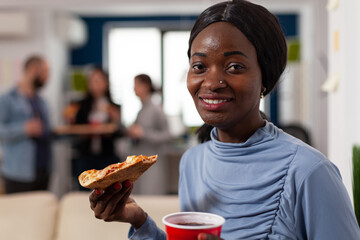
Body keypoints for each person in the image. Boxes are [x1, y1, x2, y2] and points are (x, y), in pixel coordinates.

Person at [87, 1, 360, 239]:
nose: (212, 82)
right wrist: (138, 220)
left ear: (266, 77)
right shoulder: (193, 163)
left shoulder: (310, 171)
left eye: (234, 67)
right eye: (199, 66)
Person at [0, 55, 52, 194]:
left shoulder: (42, 102)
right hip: (18, 173)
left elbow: (47, 132)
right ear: (33, 70)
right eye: (45, 72)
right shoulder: (7, 99)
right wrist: (24, 129)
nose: (47, 77)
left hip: (42, 170)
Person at [72, 66, 124, 190]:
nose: (95, 84)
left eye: (99, 80)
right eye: (93, 81)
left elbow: (121, 132)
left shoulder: (114, 106)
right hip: (86, 156)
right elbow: (75, 129)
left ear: (106, 83)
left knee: (109, 192)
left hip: (108, 157)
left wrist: (115, 120)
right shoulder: (81, 105)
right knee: (84, 192)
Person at [127, 74, 172, 194]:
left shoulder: (156, 108)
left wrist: (143, 133)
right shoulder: (141, 110)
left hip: (153, 164)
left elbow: (168, 135)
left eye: (136, 85)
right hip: (141, 164)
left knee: (152, 197)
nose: (134, 88)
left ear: (146, 86)